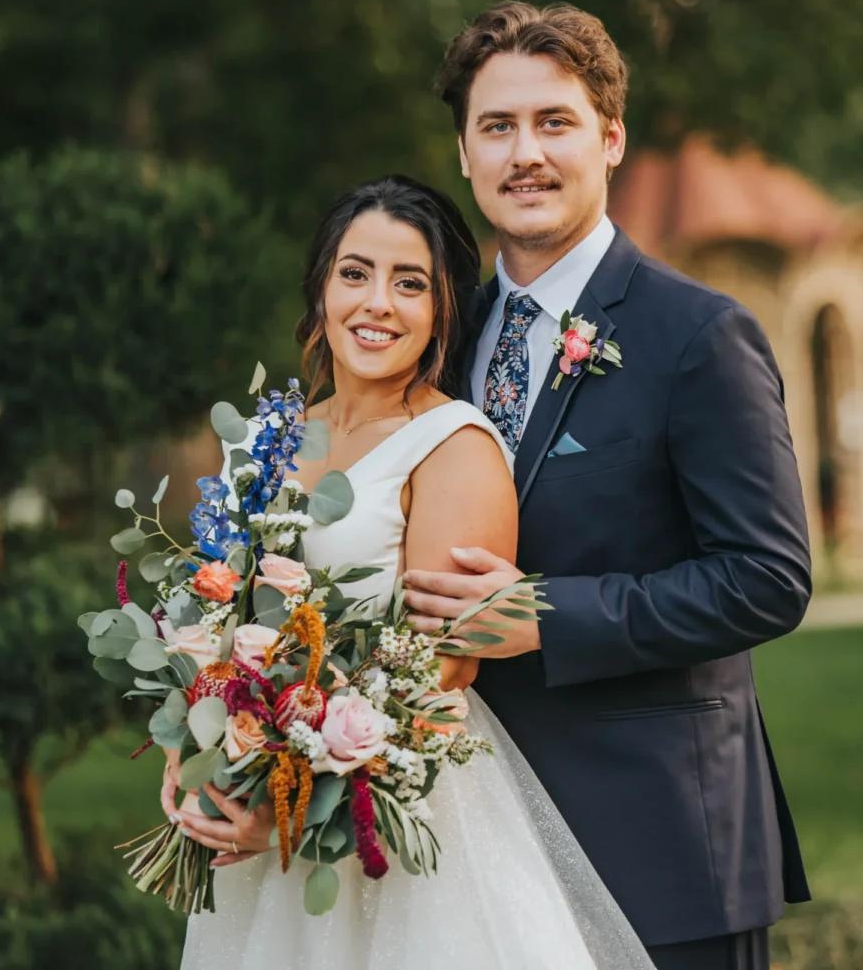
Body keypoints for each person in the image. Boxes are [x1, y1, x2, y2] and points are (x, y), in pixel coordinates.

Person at [399, 1, 814, 970]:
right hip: (468, 845)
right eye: (497, 127)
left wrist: (545, 612)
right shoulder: (438, 338)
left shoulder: (698, 336)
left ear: (611, 137)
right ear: (464, 153)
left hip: (658, 840)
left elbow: (766, 576)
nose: (524, 154)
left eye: (554, 122)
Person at [170, 175, 655, 969]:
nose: (377, 304)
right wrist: (191, 752)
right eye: (355, 273)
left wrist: (293, 808)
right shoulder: (264, 437)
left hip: (391, 817)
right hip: (256, 814)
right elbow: (213, 616)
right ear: (322, 286)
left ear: (440, 311)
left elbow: (442, 665)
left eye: (410, 283)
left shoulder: (455, 445)